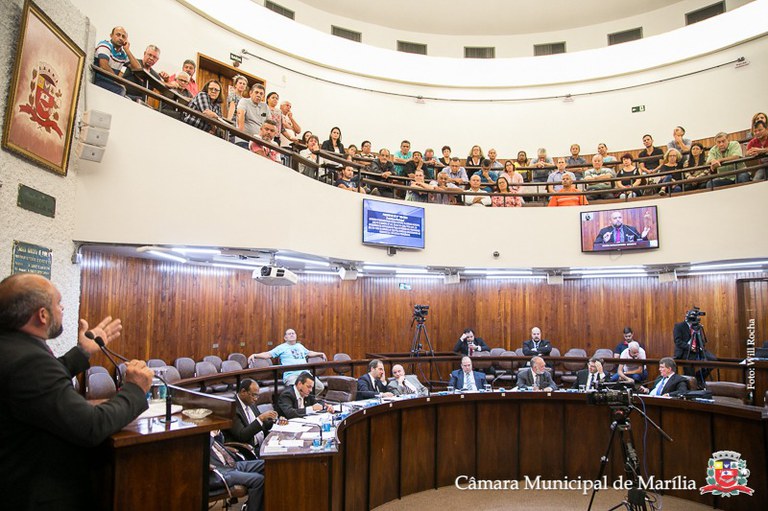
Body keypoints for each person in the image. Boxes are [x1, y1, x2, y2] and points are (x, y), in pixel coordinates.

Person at [0, 273, 154, 510]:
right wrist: (135, 389)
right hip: (37, 494)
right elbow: (91, 426)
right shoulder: (30, 362)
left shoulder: (12, 349)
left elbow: (39, 387)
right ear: (42, 315)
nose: (62, 309)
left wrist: (82, 351)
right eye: (58, 303)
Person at [249, 328, 327, 393]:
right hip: (291, 375)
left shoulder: (299, 346)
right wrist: (255, 355)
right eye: (289, 334)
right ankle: (300, 405)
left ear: (296, 336)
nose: (292, 334)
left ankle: (306, 401)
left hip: (305, 374)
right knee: (296, 391)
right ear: (285, 338)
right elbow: (268, 354)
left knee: (320, 387)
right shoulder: (281, 347)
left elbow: (309, 353)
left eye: (293, 333)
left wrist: (320, 354)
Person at [209, 431, 265, 511]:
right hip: (219, 471)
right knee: (258, 479)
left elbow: (220, 443)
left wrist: (217, 433)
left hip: (231, 464)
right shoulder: (194, 434)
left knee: (266, 465)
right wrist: (211, 435)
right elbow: (203, 447)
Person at [224, 379, 279, 447]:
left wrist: (275, 421)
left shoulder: (251, 404)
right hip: (248, 450)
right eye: (253, 395)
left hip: (263, 444)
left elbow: (263, 425)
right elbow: (242, 436)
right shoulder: (232, 409)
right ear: (243, 391)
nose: (255, 399)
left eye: (257, 396)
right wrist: (260, 418)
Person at [93, 26, 141, 96]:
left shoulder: (123, 54)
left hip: (111, 83)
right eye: (118, 35)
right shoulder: (105, 44)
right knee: (121, 89)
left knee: (127, 97)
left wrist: (127, 50)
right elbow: (104, 66)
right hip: (98, 81)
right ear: (111, 35)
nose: (121, 38)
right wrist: (118, 81)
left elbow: (138, 68)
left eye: (123, 37)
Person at [673, 310, 717, 379]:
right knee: (689, 368)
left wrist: (699, 346)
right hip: (685, 351)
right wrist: (690, 347)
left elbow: (701, 340)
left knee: (713, 360)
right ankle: (692, 382)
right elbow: (678, 341)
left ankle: (698, 377)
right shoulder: (679, 326)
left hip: (698, 349)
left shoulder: (697, 326)